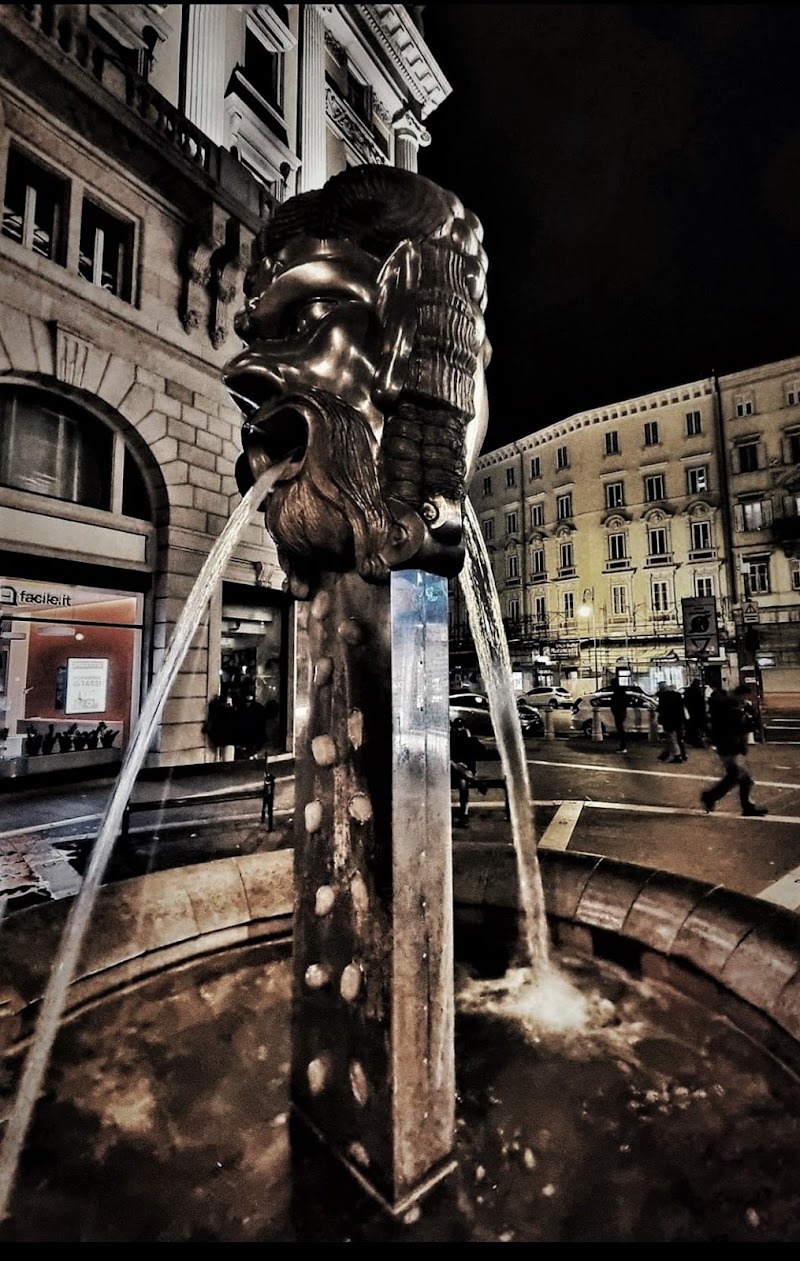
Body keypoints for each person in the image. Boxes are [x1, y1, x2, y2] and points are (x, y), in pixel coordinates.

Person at [701, 685, 768, 817]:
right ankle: (713, 797)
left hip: (729, 746)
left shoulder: (730, 707)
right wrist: (747, 717)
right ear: (741, 695)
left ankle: (712, 797)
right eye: (746, 696)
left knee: (735, 777)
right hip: (730, 747)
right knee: (742, 778)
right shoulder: (732, 709)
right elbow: (740, 727)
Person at [450, 717, 488, 828]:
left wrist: (470, 738)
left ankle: (464, 814)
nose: (459, 729)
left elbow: (481, 751)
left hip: (465, 772)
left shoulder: (470, 741)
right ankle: (476, 782)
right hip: (454, 771)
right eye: (457, 727)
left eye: (461, 727)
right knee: (450, 763)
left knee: (463, 783)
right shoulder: (450, 740)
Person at [657, 683, 687, 763]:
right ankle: (680, 754)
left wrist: (661, 719)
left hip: (669, 721)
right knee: (676, 738)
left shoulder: (664, 697)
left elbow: (661, 710)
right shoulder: (677, 696)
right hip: (678, 720)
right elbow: (681, 708)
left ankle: (677, 755)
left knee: (672, 738)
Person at [683, 678, 708, 748]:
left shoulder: (689, 691)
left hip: (691, 712)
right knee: (696, 728)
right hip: (697, 712)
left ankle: (693, 741)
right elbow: (701, 703)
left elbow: (685, 701)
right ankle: (696, 742)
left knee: (692, 728)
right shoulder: (697, 691)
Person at [608, 680, 629, 753]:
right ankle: (623, 746)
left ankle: (623, 747)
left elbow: (613, 703)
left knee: (620, 729)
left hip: (618, 712)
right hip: (621, 711)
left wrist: (614, 710)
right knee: (620, 729)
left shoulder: (616, 693)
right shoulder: (621, 692)